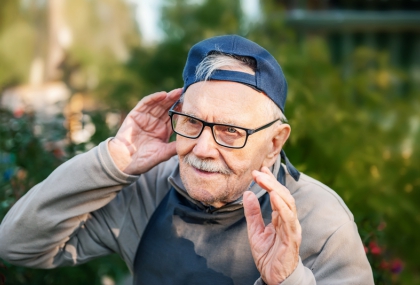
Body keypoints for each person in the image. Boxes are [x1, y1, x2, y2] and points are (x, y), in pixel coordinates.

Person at [0, 35, 374, 285]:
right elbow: (17, 244)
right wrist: (111, 162)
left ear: (275, 141)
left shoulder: (319, 221)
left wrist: (288, 279)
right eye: (192, 122)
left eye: (231, 131)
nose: (203, 148)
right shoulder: (146, 189)